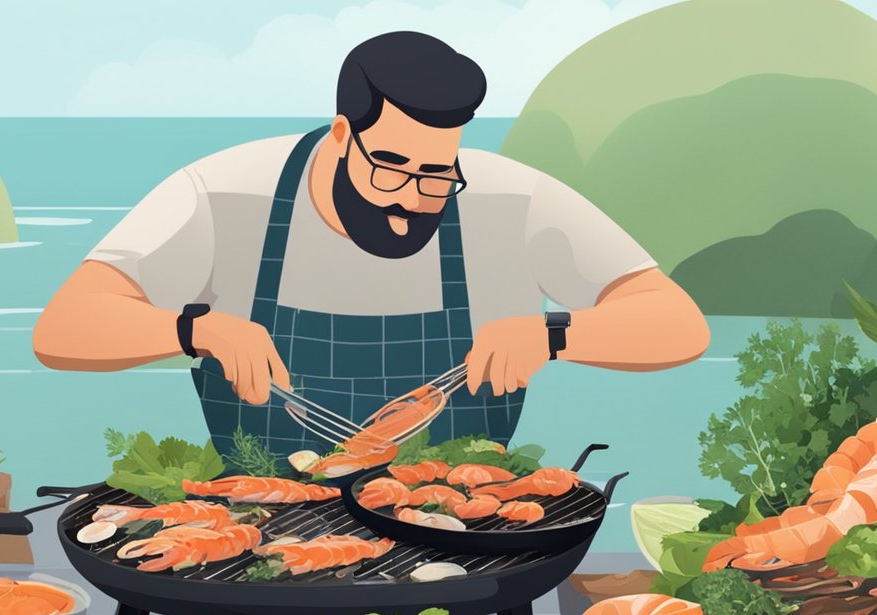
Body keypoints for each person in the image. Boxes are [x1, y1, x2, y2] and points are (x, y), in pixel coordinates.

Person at [34, 31, 709, 459]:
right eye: (389, 167)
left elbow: (676, 323)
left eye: (436, 174)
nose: (411, 197)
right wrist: (194, 328)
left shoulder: (511, 202)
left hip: (458, 532)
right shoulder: (225, 195)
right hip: (263, 529)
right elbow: (65, 328)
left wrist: (556, 334)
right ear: (338, 134)